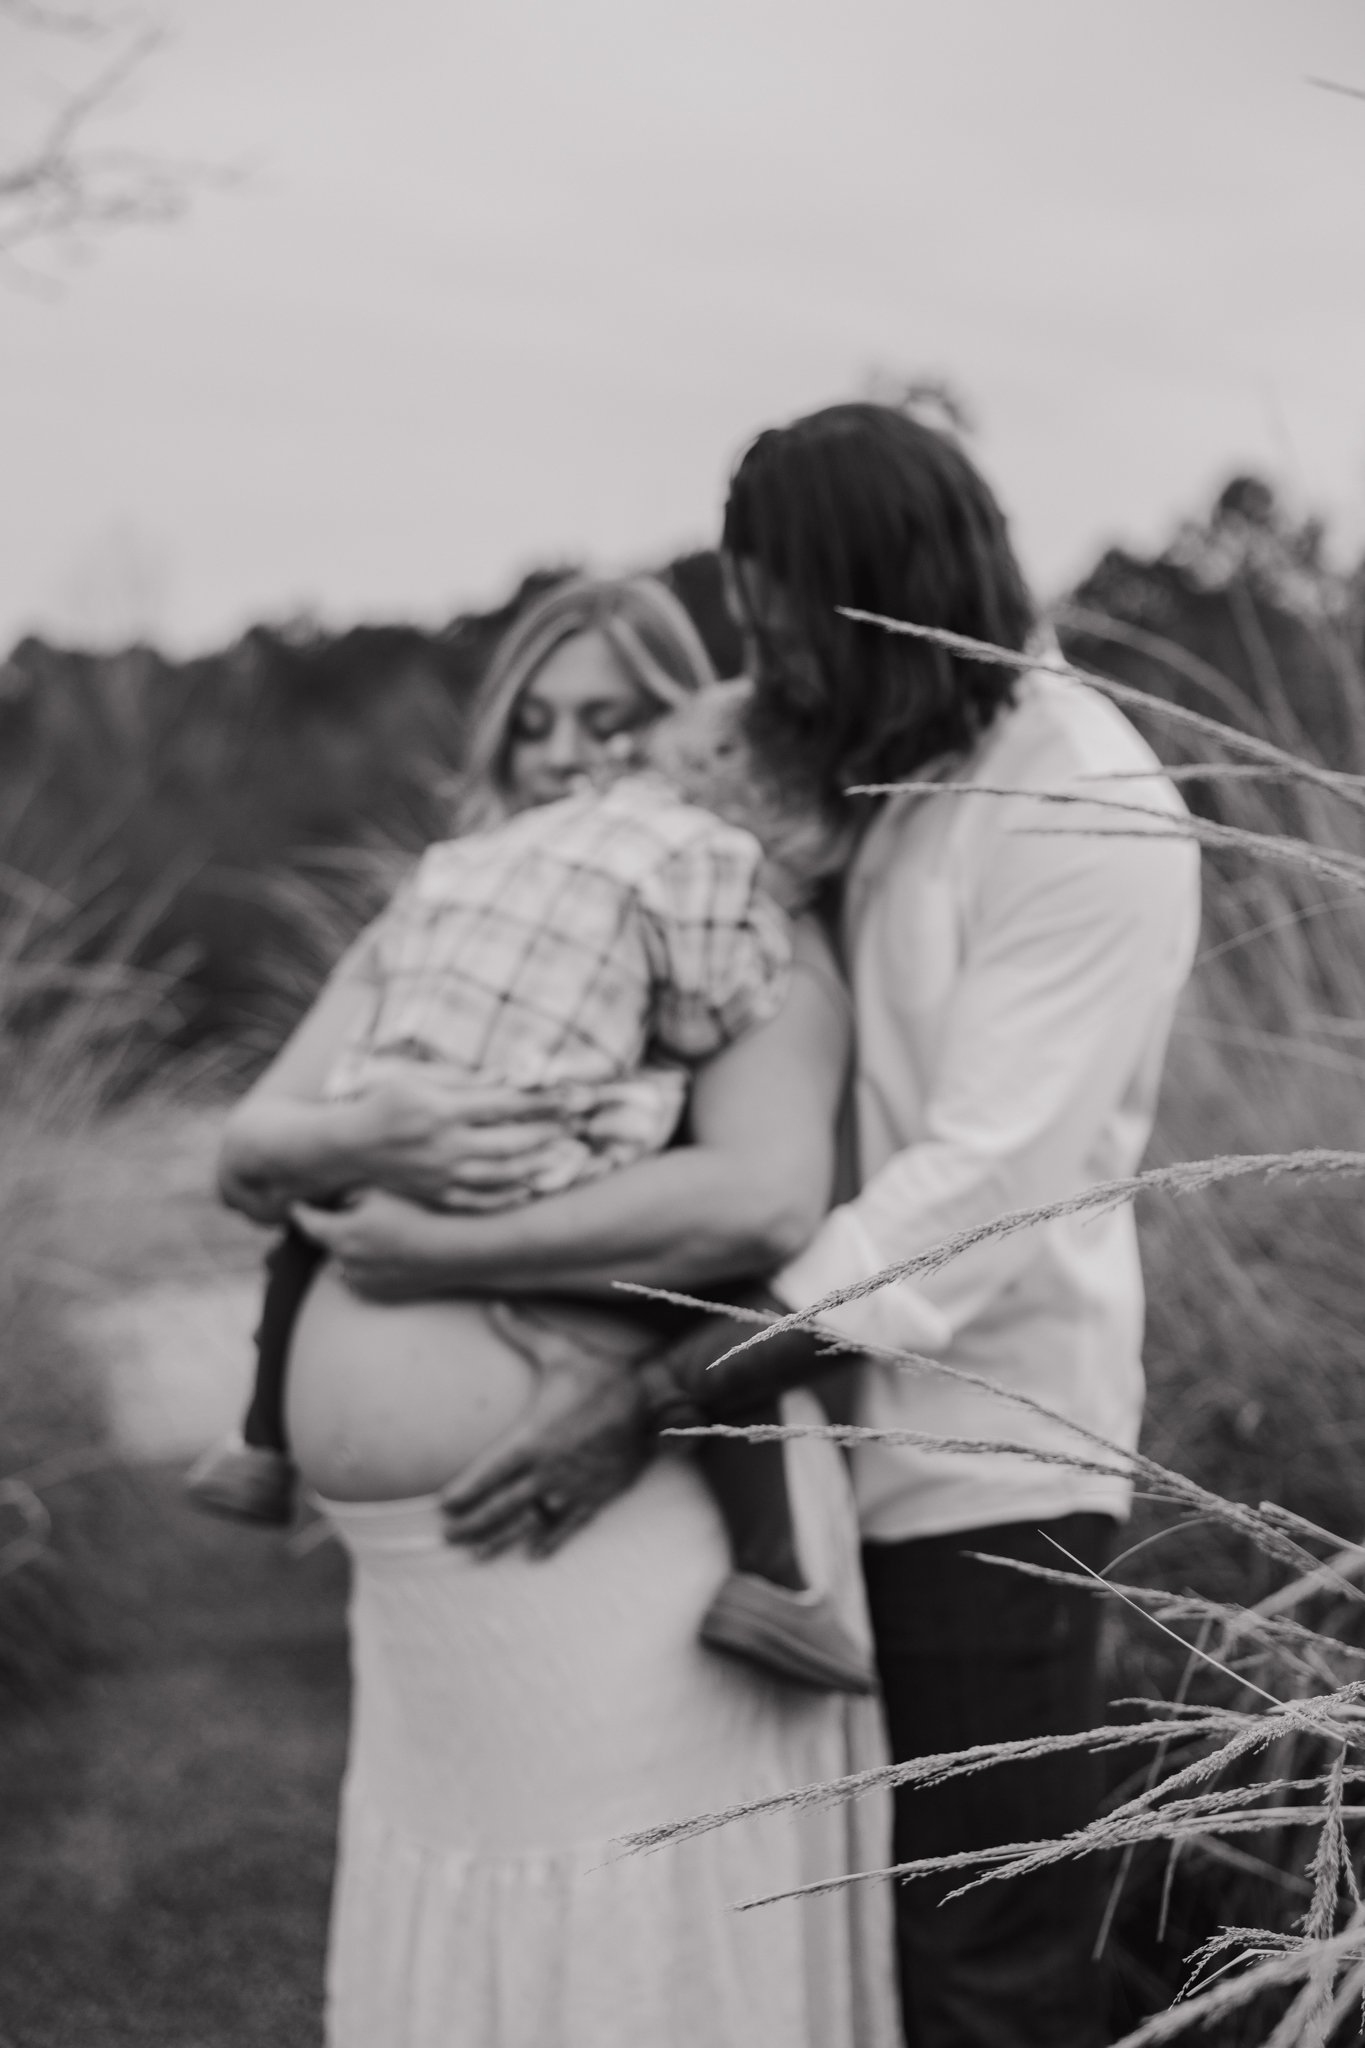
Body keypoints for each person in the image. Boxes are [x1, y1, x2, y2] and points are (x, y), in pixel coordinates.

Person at [330, 406, 1200, 2047]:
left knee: (982, 1956)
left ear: (882, 597)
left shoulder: (1081, 804)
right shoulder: (859, 745)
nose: (766, 659)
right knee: (832, 1932)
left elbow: (976, 1197)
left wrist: (656, 1393)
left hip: (976, 1461)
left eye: (785, 619)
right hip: (793, 1430)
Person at [217, 573, 901, 2048]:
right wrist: (371, 1132)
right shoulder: (452, 900)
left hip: (630, 1544)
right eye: (534, 721)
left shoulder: (729, 910)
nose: (568, 753)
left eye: (613, 717)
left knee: (631, 1934)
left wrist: (429, 1252)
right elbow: (251, 1150)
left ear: (696, 730)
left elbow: (762, 1204)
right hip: (428, 1612)